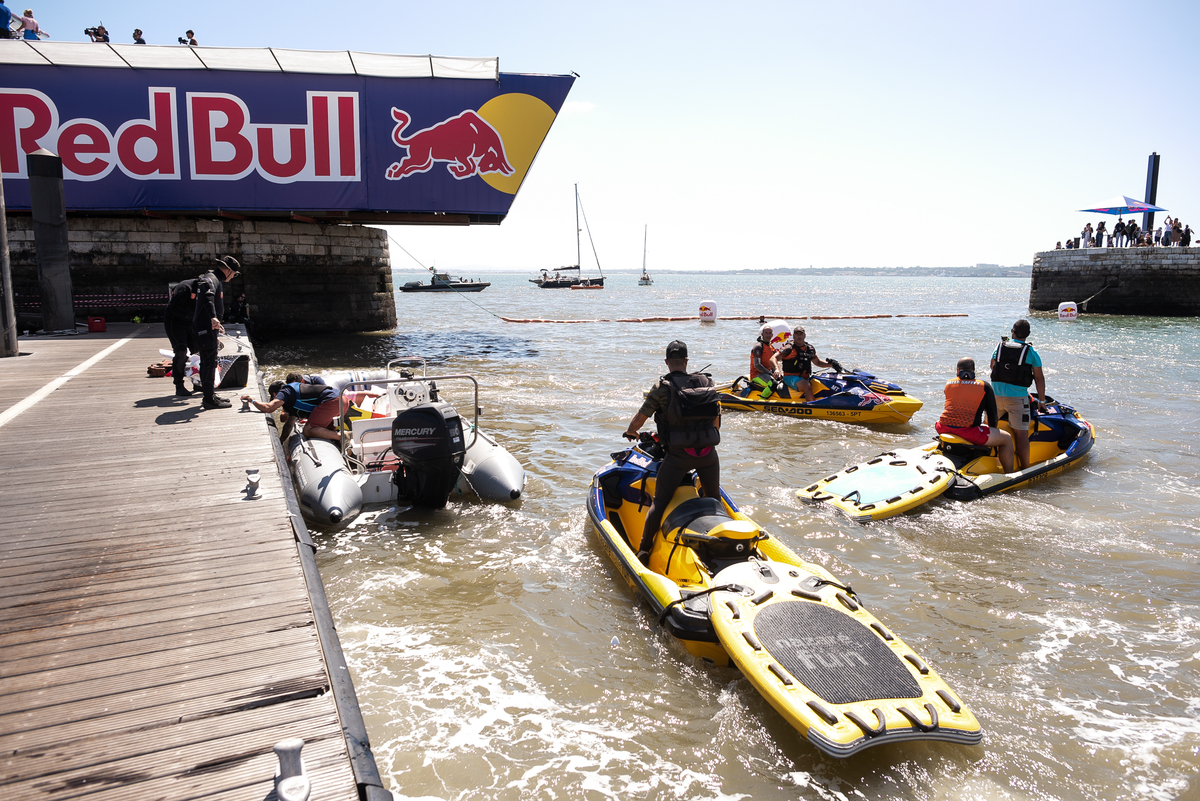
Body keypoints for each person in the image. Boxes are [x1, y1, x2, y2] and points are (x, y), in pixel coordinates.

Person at [622, 340, 721, 565]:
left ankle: (644, 550)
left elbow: (640, 419)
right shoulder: (707, 383)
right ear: (687, 361)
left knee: (660, 502)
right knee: (714, 497)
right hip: (708, 454)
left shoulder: (662, 388)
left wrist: (630, 431)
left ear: (666, 362)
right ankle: (718, 538)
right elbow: (716, 421)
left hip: (677, 456)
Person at [935, 357, 1015, 474]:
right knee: (1007, 438)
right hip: (967, 431)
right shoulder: (984, 386)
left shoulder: (949, 384)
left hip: (942, 427)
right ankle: (1010, 475)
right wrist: (993, 433)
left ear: (958, 370)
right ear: (973, 370)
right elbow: (992, 414)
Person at [990, 318, 1047, 471]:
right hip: (1017, 399)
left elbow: (992, 366)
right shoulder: (1031, 352)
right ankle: (1025, 469)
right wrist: (1041, 401)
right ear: (1027, 335)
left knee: (989, 428)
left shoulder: (1000, 346)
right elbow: (1039, 378)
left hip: (994, 396)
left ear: (1012, 332)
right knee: (1021, 433)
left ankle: (989, 462)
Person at [193, 256, 240, 409]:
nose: (233, 277)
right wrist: (213, 317)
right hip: (205, 327)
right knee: (208, 362)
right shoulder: (211, 279)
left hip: (208, 328)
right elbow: (208, 298)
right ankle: (208, 399)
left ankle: (210, 394)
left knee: (208, 361)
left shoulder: (213, 279)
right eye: (233, 274)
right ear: (228, 270)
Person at [243, 377, 344, 443]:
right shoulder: (293, 395)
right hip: (342, 399)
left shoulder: (285, 392)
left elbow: (268, 408)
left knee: (308, 431)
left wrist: (252, 400)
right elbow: (288, 424)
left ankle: (344, 436)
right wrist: (281, 442)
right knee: (328, 432)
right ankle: (344, 444)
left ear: (275, 394)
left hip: (332, 401)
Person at [777, 325, 841, 402]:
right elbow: (773, 358)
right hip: (790, 377)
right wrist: (777, 370)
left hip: (805, 377)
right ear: (793, 336)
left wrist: (831, 365)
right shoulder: (788, 348)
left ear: (805, 335)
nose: (799, 336)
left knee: (823, 381)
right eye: (797, 334)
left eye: (801, 334)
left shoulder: (810, 349)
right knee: (807, 386)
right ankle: (812, 406)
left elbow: (818, 362)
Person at [163, 275, 200, 397]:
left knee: (198, 352)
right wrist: (193, 316)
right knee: (181, 351)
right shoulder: (184, 288)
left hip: (191, 322)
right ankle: (179, 384)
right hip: (175, 321)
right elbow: (174, 308)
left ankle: (198, 381)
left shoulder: (207, 290)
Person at [748, 323, 782, 398]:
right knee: (773, 383)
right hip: (756, 375)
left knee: (782, 381)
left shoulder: (771, 347)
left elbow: (773, 363)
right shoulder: (758, 347)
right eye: (766, 333)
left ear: (772, 335)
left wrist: (777, 373)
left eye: (770, 333)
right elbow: (757, 365)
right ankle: (762, 400)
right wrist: (770, 373)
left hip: (767, 373)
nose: (768, 335)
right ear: (762, 334)